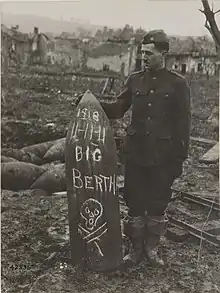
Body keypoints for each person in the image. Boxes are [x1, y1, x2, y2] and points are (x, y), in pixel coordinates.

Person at [76, 29, 191, 267]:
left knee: (158, 204)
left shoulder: (178, 85)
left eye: (149, 53)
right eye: (142, 54)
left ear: (164, 53)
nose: (144, 58)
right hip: (137, 155)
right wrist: (91, 103)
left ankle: (152, 250)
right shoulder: (135, 79)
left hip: (163, 157)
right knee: (135, 203)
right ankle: (135, 250)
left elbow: (183, 126)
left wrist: (178, 161)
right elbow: (118, 109)